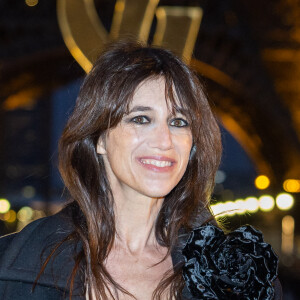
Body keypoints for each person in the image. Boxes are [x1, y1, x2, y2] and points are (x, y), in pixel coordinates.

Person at [0, 41, 280, 300]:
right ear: (99, 138)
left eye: (179, 122)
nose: (164, 141)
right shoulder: (10, 268)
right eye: (141, 119)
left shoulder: (243, 277)